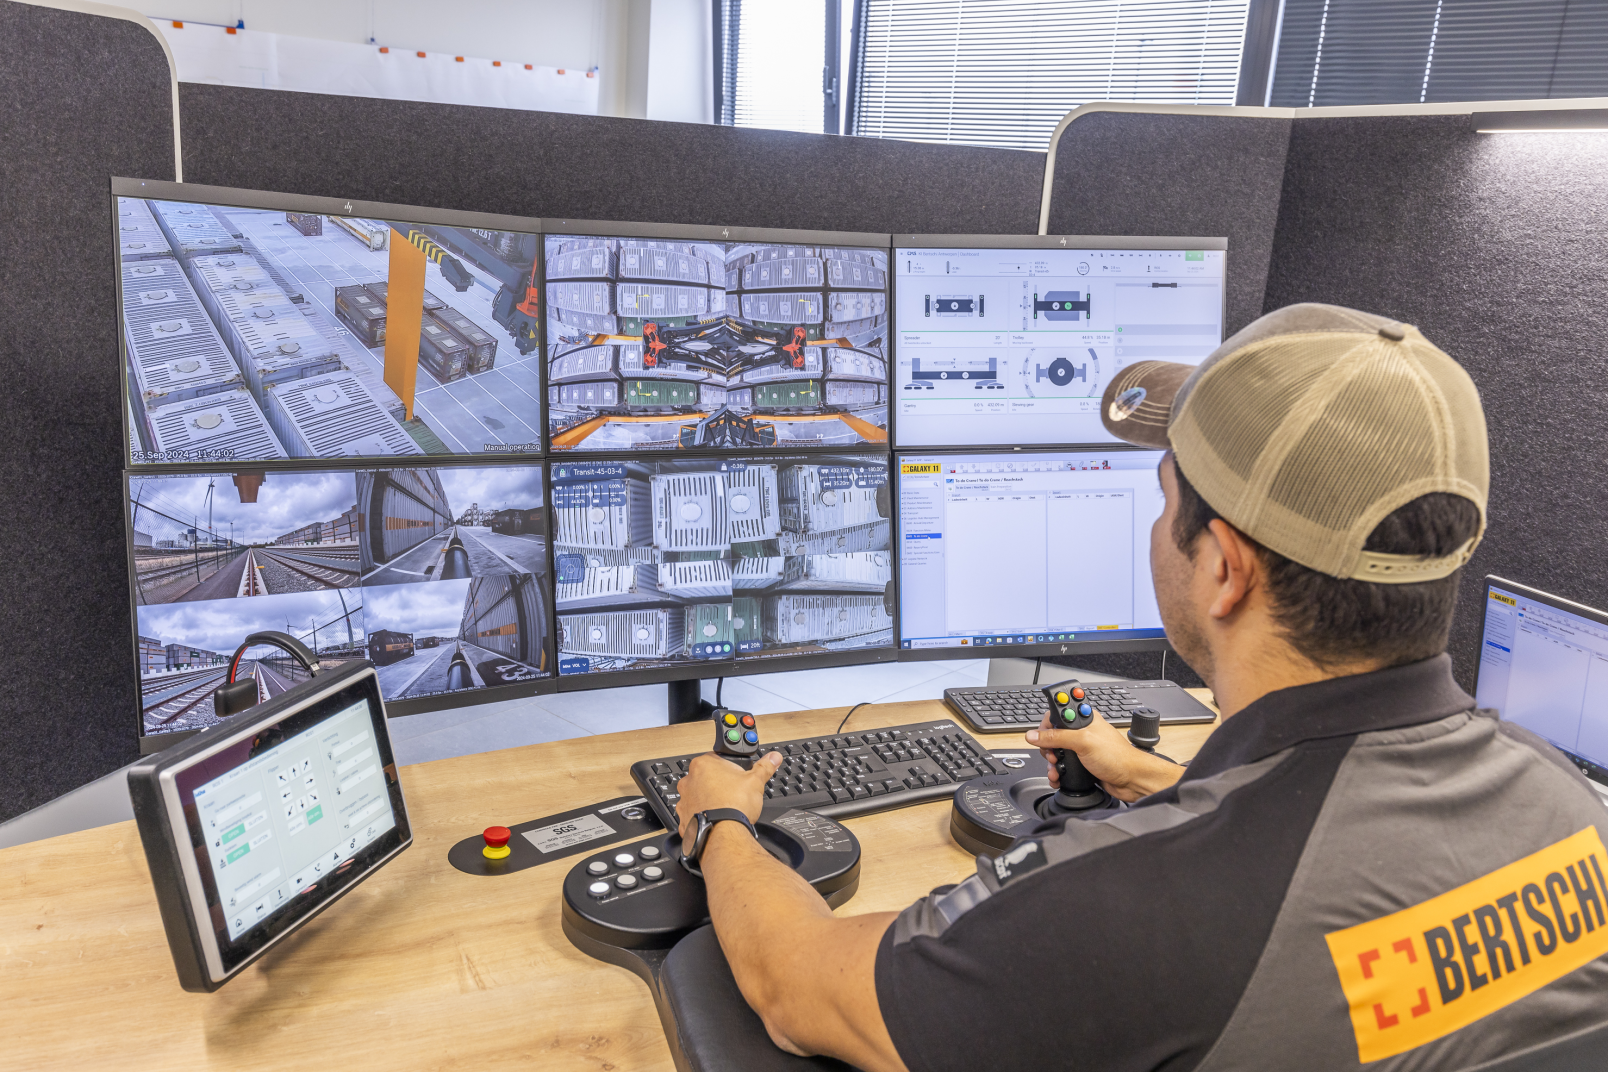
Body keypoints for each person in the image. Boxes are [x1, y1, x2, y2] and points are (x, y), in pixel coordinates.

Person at [672, 304, 1608, 1072]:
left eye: (1164, 500)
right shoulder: (1567, 805)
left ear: (1225, 570)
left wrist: (721, 823)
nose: (1157, 528)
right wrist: (1173, 788)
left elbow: (799, 989)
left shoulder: (1139, 908)